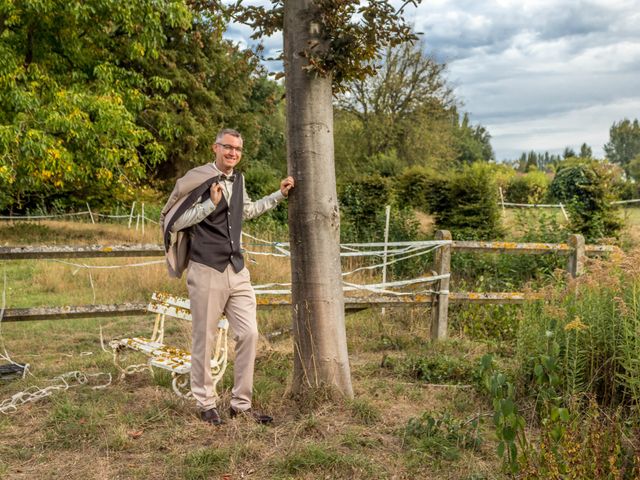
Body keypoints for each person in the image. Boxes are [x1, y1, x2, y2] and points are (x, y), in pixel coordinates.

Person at [160, 128, 294, 425]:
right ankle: (206, 403)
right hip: (206, 268)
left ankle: (241, 404)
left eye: (238, 149)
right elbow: (176, 221)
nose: (233, 153)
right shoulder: (196, 178)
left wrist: (278, 196)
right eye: (228, 147)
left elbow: (244, 212)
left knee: (249, 333)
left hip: (237, 268)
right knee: (204, 340)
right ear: (215, 148)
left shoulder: (240, 180)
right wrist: (209, 203)